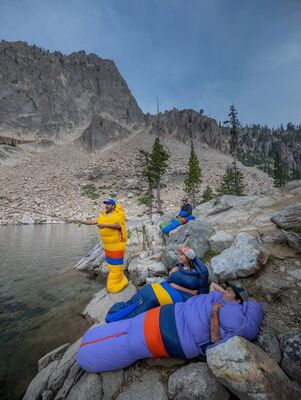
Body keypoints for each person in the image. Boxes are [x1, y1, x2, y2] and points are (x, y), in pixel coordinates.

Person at [76, 282, 263, 373]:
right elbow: (215, 288)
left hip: (173, 334)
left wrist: (215, 312)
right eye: (226, 289)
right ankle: (93, 340)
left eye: (229, 291)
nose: (225, 291)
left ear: (238, 300)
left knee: (132, 341)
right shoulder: (218, 297)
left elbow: (216, 342)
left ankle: (88, 357)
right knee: (131, 325)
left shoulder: (235, 315)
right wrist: (224, 295)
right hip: (167, 314)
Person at [105, 247, 209, 322]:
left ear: (188, 258)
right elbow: (169, 281)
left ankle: (124, 318)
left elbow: (195, 293)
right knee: (147, 290)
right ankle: (126, 309)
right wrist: (171, 273)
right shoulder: (179, 267)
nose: (179, 256)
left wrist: (176, 286)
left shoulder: (196, 274)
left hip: (179, 295)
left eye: (181, 254)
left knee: (150, 298)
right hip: (167, 288)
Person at [74, 199, 128, 293]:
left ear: (113, 206)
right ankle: (122, 280)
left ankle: (114, 286)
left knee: (116, 266)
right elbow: (92, 222)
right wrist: (79, 221)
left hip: (117, 245)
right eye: (106, 204)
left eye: (109, 204)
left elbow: (119, 226)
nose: (106, 206)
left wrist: (104, 225)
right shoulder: (103, 216)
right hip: (107, 246)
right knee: (111, 265)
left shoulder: (118, 215)